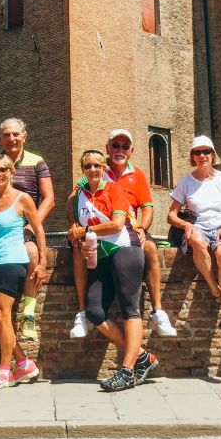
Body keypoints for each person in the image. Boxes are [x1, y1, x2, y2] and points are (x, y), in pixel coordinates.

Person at [68, 129, 176, 339]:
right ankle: (82, 313)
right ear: (108, 148)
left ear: (131, 151)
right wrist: (74, 226)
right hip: (98, 230)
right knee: (77, 250)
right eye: (115, 145)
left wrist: (142, 228)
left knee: (151, 248)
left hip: (129, 228)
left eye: (125, 147)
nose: (120, 150)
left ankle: (157, 311)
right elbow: (73, 198)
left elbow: (147, 207)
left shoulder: (137, 174)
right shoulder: (98, 168)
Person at [66, 151, 158, 391]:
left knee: (130, 308)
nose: (93, 169)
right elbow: (77, 226)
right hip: (101, 256)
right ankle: (142, 354)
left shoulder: (114, 189)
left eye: (97, 165)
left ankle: (127, 370)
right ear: (82, 169)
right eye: (88, 166)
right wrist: (82, 240)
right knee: (94, 311)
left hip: (124, 247)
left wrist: (84, 232)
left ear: (103, 167)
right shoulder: (79, 197)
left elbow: (117, 224)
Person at [0, 118, 54, 340]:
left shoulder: (36, 161)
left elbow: (49, 198)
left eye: (15, 134)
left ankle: (29, 315)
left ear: (24, 136)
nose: (11, 139)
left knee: (32, 253)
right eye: (6, 135)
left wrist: (34, 226)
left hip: (23, 226)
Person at [0, 153, 47, 390]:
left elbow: (38, 230)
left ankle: (5, 371)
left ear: (11, 172)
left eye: (3, 170)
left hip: (12, 260)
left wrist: (42, 262)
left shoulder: (23, 199)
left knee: (1, 315)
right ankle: (24, 362)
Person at [167, 136, 221, 345]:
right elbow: (171, 215)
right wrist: (185, 225)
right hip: (198, 227)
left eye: (206, 152)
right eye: (197, 153)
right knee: (197, 240)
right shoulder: (186, 182)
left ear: (212, 154)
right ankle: (214, 289)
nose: (202, 156)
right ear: (192, 157)